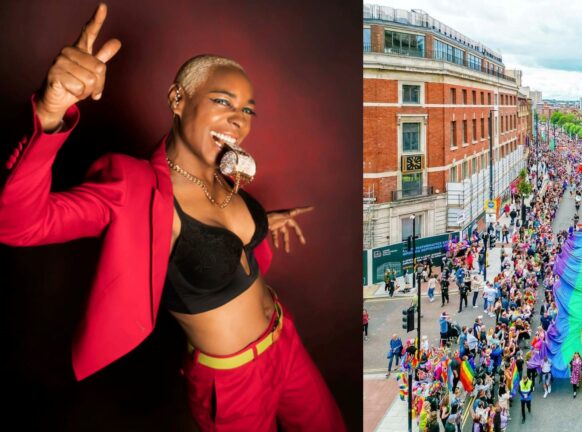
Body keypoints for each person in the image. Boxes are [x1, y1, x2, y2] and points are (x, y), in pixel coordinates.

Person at [0, 5, 344, 431]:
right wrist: (50, 114)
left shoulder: (224, 171)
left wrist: (260, 224)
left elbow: (218, 235)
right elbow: (18, 225)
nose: (239, 119)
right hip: (232, 381)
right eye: (223, 101)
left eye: (249, 110)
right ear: (177, 99)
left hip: (285, 339)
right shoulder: (134, 187)